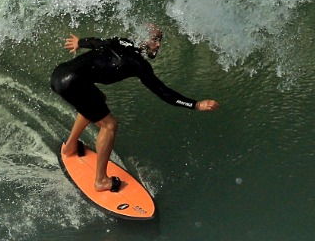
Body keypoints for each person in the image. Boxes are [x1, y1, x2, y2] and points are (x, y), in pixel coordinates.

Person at [50, 24, 218, 191]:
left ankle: (71, 145)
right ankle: (100, 181)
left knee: (97, 100)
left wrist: (80, 42)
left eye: (160, 40)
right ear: (143, 38)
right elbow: (164, 93)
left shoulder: (121, 42)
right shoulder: (138, 63)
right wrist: (195, 104)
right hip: (72, 83)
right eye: (155, 39)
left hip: (59, 74)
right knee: (110, 125)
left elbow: (97, 42)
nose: (158, 45)